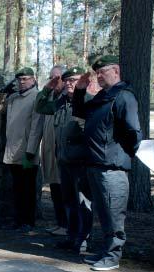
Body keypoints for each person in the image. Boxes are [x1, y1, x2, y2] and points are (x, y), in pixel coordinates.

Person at [72, 55, 142, 271]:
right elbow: (81, 112)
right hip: (94, 164)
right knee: (103, 213)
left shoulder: (123, 97)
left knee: (113, 213)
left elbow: (133, 132)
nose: (99, 76)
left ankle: (112, 256)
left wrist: (119, 154)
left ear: (116, 71)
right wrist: (80, 91)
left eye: (102, 72)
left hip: (112, 167)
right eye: (97, 72)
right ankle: (104, 252)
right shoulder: (104, 96)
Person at [35, 66, 93, 255]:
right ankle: (71, 235)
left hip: (81, 162)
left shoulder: (87, 102)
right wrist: (47, 88)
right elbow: (41, 107)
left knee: (83, 202)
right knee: (69, 201)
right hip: (64, 160)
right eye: (67, 80)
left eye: (74, 80)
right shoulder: (60, 102)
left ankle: (83, 239)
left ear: (82, 82)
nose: (69, 84)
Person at [0, 67, 44, 233]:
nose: (22, 82)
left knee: (28, 189)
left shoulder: (36, 97)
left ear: (33, 80)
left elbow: (36, 126)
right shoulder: (13, 97)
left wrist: (31, 151)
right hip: (12, 151)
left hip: (27, 153)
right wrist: (2, 92)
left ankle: (28, 222)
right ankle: (19, 220)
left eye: (25, 79)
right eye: (19, 79)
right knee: (17, 189)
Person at [39, 66, 68, 236]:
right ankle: (60, 223)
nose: (53, 80)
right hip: (49, 149)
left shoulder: (67, 97)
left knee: (65, 191)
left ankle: (67, 225)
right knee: (55, 189)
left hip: (63, 152)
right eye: (51, 77)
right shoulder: (50, 97)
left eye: (57, 77)